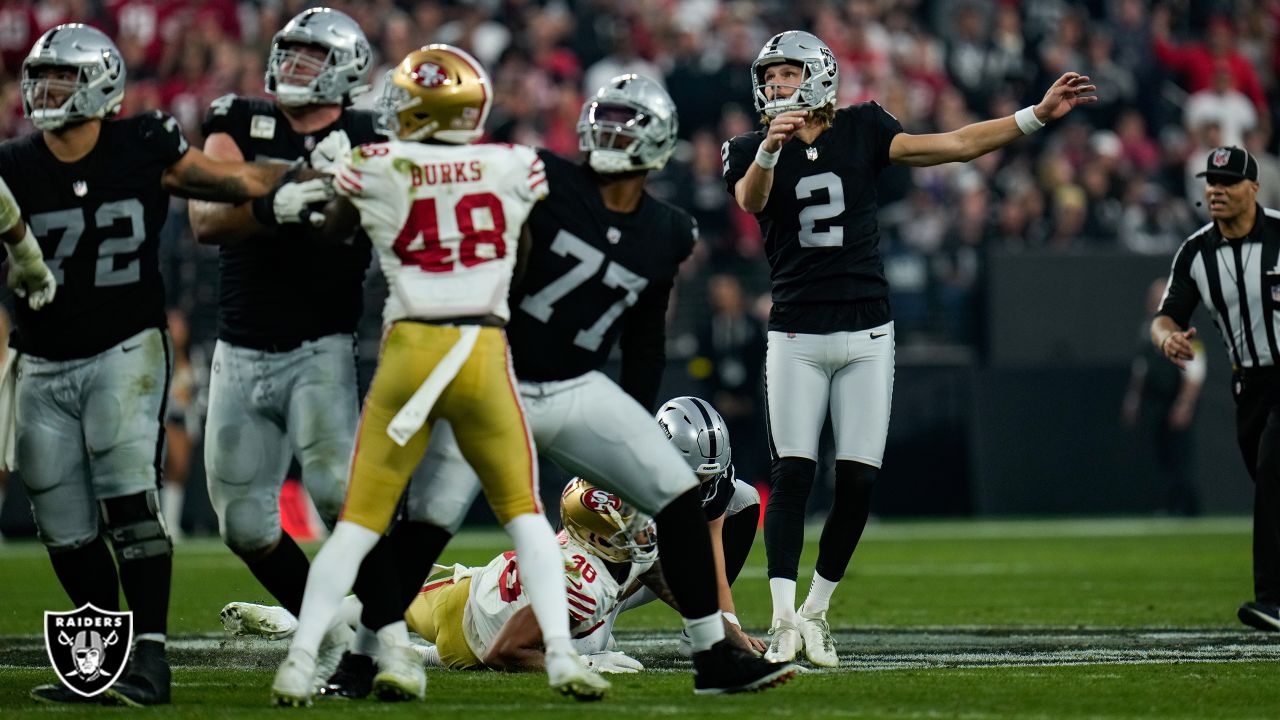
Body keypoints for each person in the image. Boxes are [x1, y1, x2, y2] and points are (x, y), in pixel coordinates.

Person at [324, 74, 796, 698]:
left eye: (628, 125)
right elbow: (455, 169)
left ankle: (714, 657)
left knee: (678, 496)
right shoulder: (543, 178)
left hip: (575, 385)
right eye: (606, 122)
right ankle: (359, 663)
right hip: (500, 378)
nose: (611, 135)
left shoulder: (668, 230)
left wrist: (636, 420)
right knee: (428, 523)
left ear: (657, 142)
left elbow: (646, 336)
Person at [721, 30, 1097, 667]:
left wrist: (1034, 117)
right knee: (792, 473)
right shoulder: (749, 149)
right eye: (771, 76)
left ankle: (817, 610)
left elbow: (953, 145)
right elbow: (750, 202)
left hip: (867, 331)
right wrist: (768, 151)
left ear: (816, 76)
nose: (776, 86)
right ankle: (782, 618)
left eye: (787, 74)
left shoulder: (864, 126)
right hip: (795, 333)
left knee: (859, 482)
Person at [270, 44, 608, 706]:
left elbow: (335, 232)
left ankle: (300, 660)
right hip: (482, 347)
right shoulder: (513, 163)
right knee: (527, 517)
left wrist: (334, 187)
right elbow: (523, 251)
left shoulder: (377, 162)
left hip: (412, 348)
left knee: (358, 526)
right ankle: (564, 657)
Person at [4, 23, 307, 706]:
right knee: (60, 517)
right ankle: (98, 662)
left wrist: (301, 178)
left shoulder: (143, 142)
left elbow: (228, 178)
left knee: (127, 498)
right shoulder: (14, 163)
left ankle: (151, 659)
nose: (47, 90)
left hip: (123, 345)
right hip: (42, 359)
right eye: (42, 77)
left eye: (63, 78)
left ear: (103, 85)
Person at [187, 7, 381, 683]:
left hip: (321, 347)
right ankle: (330, 623)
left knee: (337, 501)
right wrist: (277, 199)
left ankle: (377, 638)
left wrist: (345, 191)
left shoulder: (370, 133)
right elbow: (206, 218)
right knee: (243, 525)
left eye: (311, 59)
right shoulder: (238, 118)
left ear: (348, 70)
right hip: (239, 350)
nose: (293, 69)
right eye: (289, 55)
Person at [229, 479, 656, 675]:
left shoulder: (590, 550)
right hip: (471, 631)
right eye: (625, 528)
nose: (640, 534)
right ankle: (302, 623)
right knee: (385, 599)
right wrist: (582, 663)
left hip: (473, 590)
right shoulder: (578, 584)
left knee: (383, 599)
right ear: (594, 535)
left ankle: (294, 620)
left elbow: (650, 573)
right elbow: (502, 652)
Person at [1152, 146, 1280, 632]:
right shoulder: (1196, 249)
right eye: (1211, 182)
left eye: (1227, 183)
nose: (1216, 191)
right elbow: (1166, 317)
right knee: (1269, 482)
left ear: (1254, 188)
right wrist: (1166, 339)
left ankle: (1271, 599)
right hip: (1247, 383)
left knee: (1272, 470)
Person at [584, 396, 765, 655]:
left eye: (708, 477)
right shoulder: (624, 479)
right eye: (693, 475)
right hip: (600, 577)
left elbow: (713, 561)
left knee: (745, 497)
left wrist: (729, 626)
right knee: (589, 646)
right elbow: (657, 570)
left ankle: (697, 634)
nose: (701, 485)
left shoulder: (713, 478)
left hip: (656, 567)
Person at [1123, 278, 1204, 516]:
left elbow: (1196, 368)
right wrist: (1133, 399)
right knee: (1161, 455)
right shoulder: (1147, 328)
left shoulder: (1183, 325)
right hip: (1155, 400)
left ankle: (1185, 508)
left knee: (1180, 455)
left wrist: (1185, 402)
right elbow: (1141, 366)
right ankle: (1168, 505)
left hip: (1174, 397)